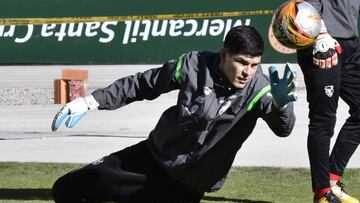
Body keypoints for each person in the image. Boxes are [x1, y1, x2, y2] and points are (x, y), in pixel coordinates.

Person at [50, 25, 297, 203]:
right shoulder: (193, 65)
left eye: (254, 65)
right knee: (66, 189)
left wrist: (282, 105)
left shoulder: (263, 88)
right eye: (242, 62)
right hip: (151, 159)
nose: (248, 72)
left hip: (188, 185)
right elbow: (142, 84)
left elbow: (282, 129)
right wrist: (90, 102)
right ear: (224, 55)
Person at [296, 0, 360, 202]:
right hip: (322, 42)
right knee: (323, 119)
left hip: (351, 44)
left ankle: (331, 180)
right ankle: (322, 192)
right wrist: (320, 35)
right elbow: (308, 5)